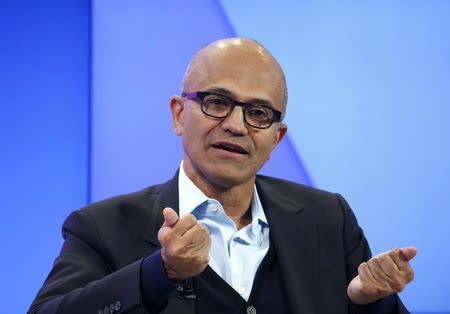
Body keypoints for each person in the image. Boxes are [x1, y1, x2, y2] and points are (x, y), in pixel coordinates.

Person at [29, 37, 416, 314]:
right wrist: (157, 272)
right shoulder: (103, 227)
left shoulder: (328, 218)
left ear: (276, 138)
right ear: (179, 114)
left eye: (259, 113)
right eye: (217, 102)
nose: (236, 125)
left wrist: (368, 303)